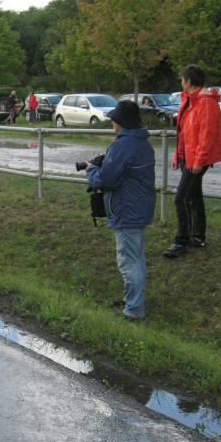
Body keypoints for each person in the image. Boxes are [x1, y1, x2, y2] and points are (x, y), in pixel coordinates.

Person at [84, 100, 155, 321]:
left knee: (128, 261)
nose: (112, 122)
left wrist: (91, 170)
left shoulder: (123, 145)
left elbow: (107, 180)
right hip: (140, 207)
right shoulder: (142, 142)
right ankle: (132, 299)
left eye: (114, 119)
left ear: (121, 121)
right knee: (136, 258)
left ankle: (134, 309)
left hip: (126, 209)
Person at [164, 64, 221, 258]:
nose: (181, 83)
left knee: (181, 197)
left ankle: (181, 240)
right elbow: (183, 133)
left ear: (189, 81)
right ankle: (197, 236)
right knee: (193, 196)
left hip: (196, 159)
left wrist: (199, 160)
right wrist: (178, 156)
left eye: (182, 79)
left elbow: (207, 134)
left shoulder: (206, 103)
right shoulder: (190, 100)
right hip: (188, 157)